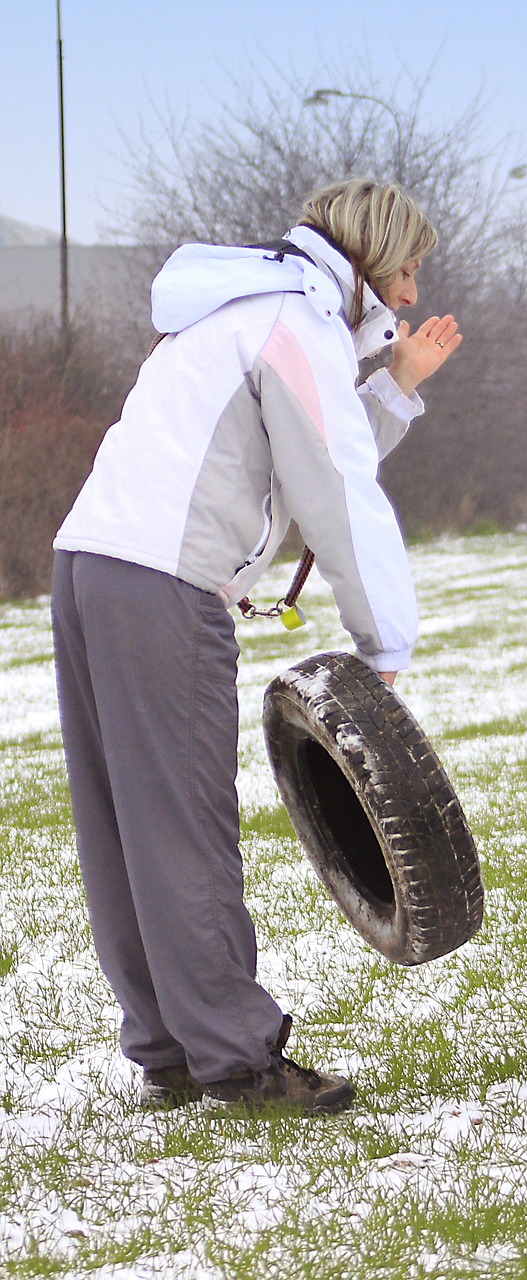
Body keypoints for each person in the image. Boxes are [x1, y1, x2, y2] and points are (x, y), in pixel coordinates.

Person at [50, 178, 460, 1113]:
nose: (407, 295)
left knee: (125, 823)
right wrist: (384, 641)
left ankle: (170, 1048)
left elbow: (312, 447)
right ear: (368, 257)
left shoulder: (238, 308)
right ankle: (235, 1056)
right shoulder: (293, 322)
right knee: (186, 822)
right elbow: (338, 488)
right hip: (162, 583)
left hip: (91, 568)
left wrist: (393, 389)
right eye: (406, 271)